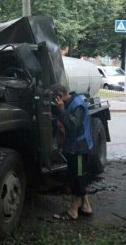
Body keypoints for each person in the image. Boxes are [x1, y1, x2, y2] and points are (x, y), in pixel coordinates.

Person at [50, 83, 93, 221]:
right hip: (73, 147)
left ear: (60, 97)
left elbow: (73, 126)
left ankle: (73, 211)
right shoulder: (70, 102)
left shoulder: (77, 105)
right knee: (78, 177)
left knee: (77, 179)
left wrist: (61, 110)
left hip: (79, 148)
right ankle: (86, 207)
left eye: (55, 99)